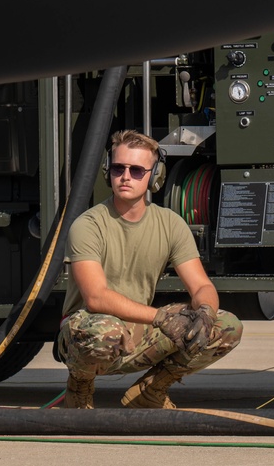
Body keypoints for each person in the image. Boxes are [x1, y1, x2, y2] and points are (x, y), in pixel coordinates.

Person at [56, 129, 242, 409]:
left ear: (155, 176)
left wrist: (205, 312)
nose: (125, 176)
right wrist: (161, 318)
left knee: (225, 326)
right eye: (118, 168)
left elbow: (202, 286)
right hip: (90, 329)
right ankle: (79, 389)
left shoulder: (170, 224)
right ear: (108, 171)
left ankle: (151, 390)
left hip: (139, 328)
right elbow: (96, 298)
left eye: (137, 170)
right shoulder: (89, 224)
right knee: (106, 330)